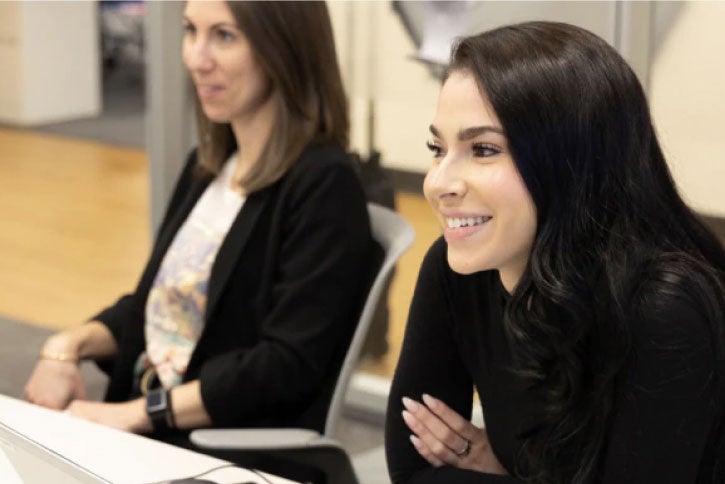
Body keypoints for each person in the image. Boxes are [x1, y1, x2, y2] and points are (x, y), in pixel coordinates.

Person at [25, 0, 379, 446]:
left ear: (284, 48)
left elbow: (285, 365)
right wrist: (66, 347)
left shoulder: (324, 185)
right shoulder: (210, 164)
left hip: (214, 450)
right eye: (191, 31)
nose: (195, 57)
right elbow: (161, 309)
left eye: (224, 36)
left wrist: (139, 414)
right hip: (146, 430)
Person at [385, 21, 725, 483]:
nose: (439, 183)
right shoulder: (457, 271)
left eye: (483, 149)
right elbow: (412, 470)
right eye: (437, 148)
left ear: (570, 163)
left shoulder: (663, 310)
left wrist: (504, 473)